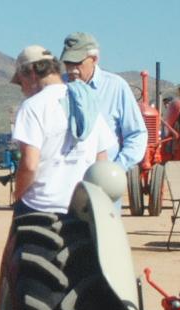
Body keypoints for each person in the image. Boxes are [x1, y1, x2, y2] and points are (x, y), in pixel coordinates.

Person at [9, 45, 112, 214]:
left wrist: (18, 195)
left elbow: (29, 165)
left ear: (32, 73)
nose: (22, 89)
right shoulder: (88, 103)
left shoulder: (32, 107)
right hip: (83, 207)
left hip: (41, 205)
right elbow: (102, 159)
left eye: (20, 81)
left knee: (14, 239)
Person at [58, 32, 145, 174]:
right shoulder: (58, 88)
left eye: (77, 63)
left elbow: (136, 134)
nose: (72, 69)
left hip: (103, 183)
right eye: (68, 63)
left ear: (94, 59)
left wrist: (115, 170)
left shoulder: (116, 87)